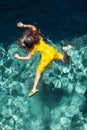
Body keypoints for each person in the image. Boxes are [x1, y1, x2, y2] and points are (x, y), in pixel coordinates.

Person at [15, 22, 72, 97]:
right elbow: (33, 27)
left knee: (38, 72)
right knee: (66, 61)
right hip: (52, 51)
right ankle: (64, 51)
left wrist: (19, 57)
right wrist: (23, 25)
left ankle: (34, 88)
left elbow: (28, 58)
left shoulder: (33, 49)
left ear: (29, 47)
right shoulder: (38, 37)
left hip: (47, 58)